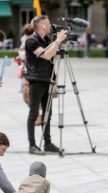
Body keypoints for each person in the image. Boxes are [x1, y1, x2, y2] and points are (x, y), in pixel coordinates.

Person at [25, 15, 67, 154]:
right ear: (42, 26)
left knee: (48, 113)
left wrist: (59, 44)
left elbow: (55, 54)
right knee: (34, 113)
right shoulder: (31, 41)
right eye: (48, 24)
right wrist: (58, 41)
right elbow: (46, 55)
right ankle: (32, 145)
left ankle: (47, 143)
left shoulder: (47, 39)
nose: (51, 26)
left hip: (47, 79)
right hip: (36, 80)